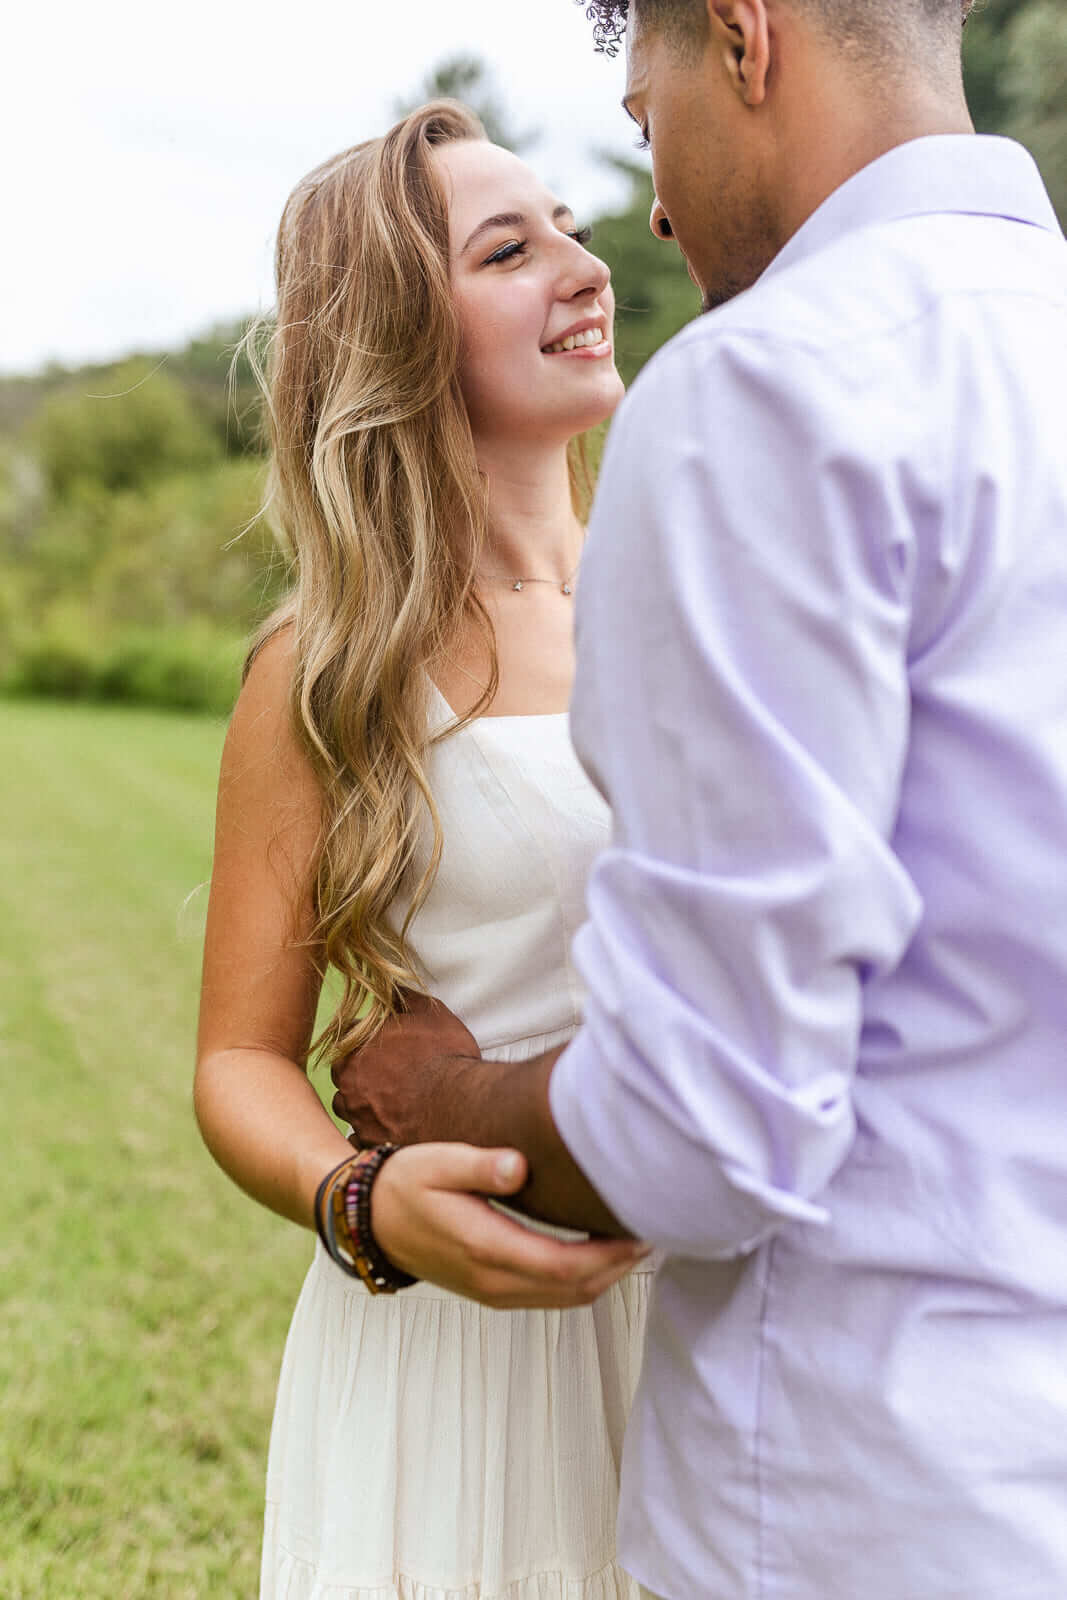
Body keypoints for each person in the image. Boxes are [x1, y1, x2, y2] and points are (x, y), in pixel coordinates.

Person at [330, 2, 1067, 1597]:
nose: (648, 213)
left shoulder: (770, 388)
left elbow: (707, 1121)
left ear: (743, 38)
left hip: (872, 1492)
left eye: (643, 116)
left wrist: (439, 1109)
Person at [194, 100, 655, 1599]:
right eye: (510, 250)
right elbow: (239, 1063)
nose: (583, 267)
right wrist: (364, 1206)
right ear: (401, 334)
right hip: (456, 1354)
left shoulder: (692, 584)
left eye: (572, 230)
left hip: (709, 1314)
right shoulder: (326, 672)